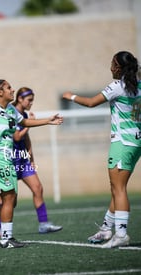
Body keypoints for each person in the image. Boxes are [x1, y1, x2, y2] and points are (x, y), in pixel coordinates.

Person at [0, 79, 63, 249]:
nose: (13, 90)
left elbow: (25, 122)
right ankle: (6, 239)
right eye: (9, 88)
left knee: (10, 201)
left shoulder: (11, 109)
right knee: (9, 198)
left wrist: (48, 120)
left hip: (6, 159)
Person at [63, 51, 141, 248]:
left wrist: (70, 96)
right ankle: (107, 228)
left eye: (113, 64)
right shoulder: (138, 85)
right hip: (135, 142)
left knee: (119, 189)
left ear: (120, 68)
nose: (110, 68)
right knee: (117, 188)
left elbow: (90, 103)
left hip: (122, 143)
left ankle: (121, 234)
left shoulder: (118, 86)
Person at [0, 87, 63, 236]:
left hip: (23, 161)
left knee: (38, 188)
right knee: (4, 197)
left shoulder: (24, 114)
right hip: (10, 161)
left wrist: (31, 158)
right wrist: (29, 124)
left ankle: (44, 224)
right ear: (20, 99)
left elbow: (26, 139)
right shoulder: (10, 112)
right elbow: (17, 136)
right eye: (29, 100)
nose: (31, 103)